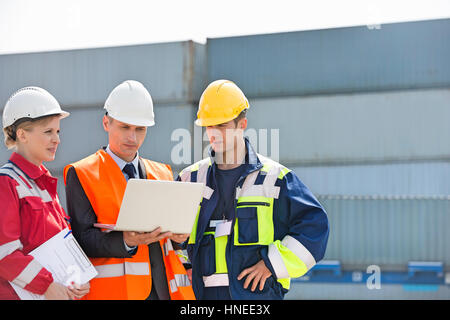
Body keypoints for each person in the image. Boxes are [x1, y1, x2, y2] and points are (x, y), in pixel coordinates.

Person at [177, 80, 329, 300]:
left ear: (242, 124)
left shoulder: (275, 179)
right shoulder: (189, 179)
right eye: (209, 125)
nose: (214, 133)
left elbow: (316, 227)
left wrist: (271, 264)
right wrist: (185, 269)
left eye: (222, 125)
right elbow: (172, 240)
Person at [64, 80, 195, 300]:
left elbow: (172, 244)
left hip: (165, 292)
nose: (132, 138)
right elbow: (81, 239)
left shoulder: (162, 173)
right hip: (116, 294)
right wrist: (126, 240)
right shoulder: (82, 173)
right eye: (125, 127)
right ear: (106, 123)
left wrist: (181, 237)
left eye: (140, 129)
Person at [0, 86, 90, 300]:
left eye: (57, 132)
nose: (57, 139)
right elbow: (4, 254)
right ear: (22, 135)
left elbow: (61, 243)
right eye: (48, 132)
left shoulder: (44, 182)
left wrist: (76, 277)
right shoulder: (7, 182)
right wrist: (46, 285)